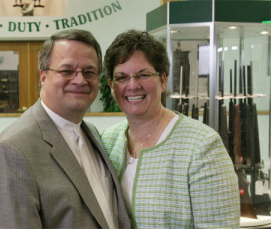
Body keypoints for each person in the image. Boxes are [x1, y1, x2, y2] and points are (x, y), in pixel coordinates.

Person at [0, 29, 131, 229]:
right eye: (66, 71)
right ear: (43, 76)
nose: (80, 80)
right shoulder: (10, 152)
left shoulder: (90, 132)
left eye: (89, 72)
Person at [101, 29, 240, 228]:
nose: (132, 85)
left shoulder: (203, 147)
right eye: (121, 77)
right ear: (111, 86)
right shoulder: (108, 140)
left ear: (163, 80)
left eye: (143, 75)